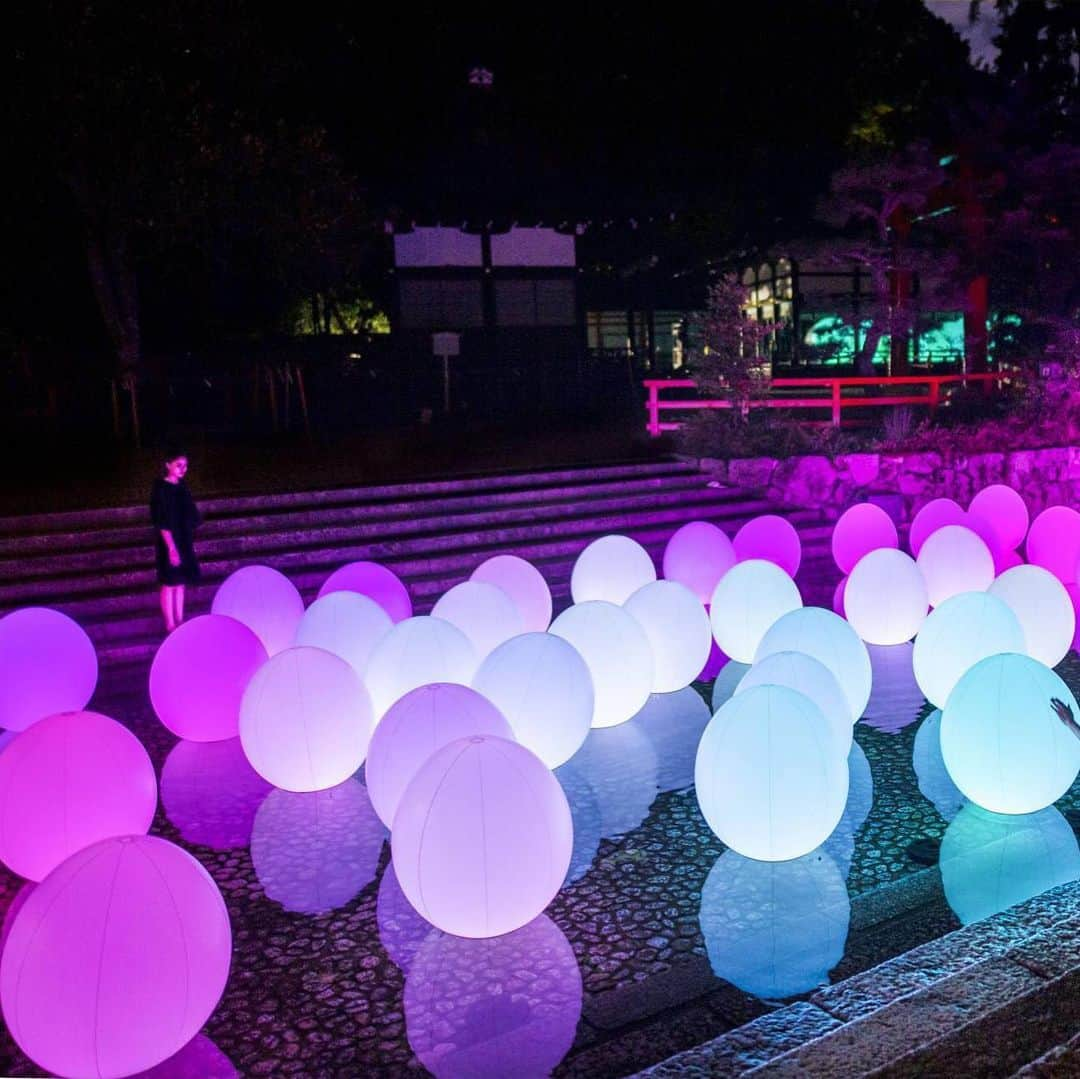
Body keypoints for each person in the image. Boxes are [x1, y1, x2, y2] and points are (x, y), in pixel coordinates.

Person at [151, 449, 202, 633]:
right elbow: (161, 521)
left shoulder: (182, 487)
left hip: (182, 538)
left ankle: (179, 620)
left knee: (180, 582)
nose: (183, 469)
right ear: (168, 465)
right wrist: (171, 547)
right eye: (179, 465)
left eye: (185, 466)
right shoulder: (160, 489)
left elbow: (189, 513)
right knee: (169, 582)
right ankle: (169, 623)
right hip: (168, 541)